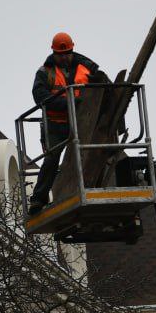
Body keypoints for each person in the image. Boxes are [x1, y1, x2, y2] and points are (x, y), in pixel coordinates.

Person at [28, 32, 98, 213]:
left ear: (72, 50)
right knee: (51, 160)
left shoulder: (88, 68)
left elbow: (101, 87)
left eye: (67, 53)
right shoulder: (45, 72)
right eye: (61, 54)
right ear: (54, 53)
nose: (65, 57)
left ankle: (92, 187)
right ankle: (38, 199)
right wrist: (67, 104)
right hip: (56, 124)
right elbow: (40, 96)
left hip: (82, 122)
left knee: (89, 153)